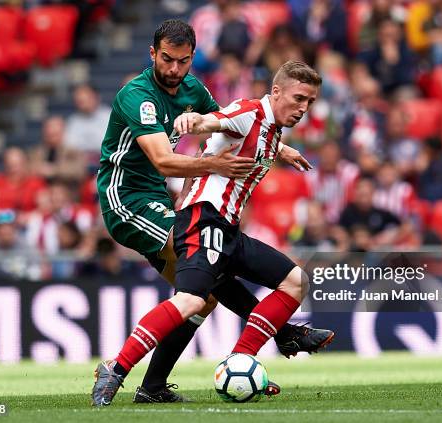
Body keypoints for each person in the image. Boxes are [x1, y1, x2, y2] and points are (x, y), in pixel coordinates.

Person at [94, 20, 333, 404]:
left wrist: (277, 148)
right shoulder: (137, 95)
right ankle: (281, 333)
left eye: (183, 61)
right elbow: (165, 160)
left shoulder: (193, 88)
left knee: (204, 295)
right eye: (167, 60)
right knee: (196, 274)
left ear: (192, 58)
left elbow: (234, 124)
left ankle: (153, 388)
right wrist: (213, 162)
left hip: (164, 197)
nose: (175, 70)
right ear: (153, 54)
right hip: (126, 196)